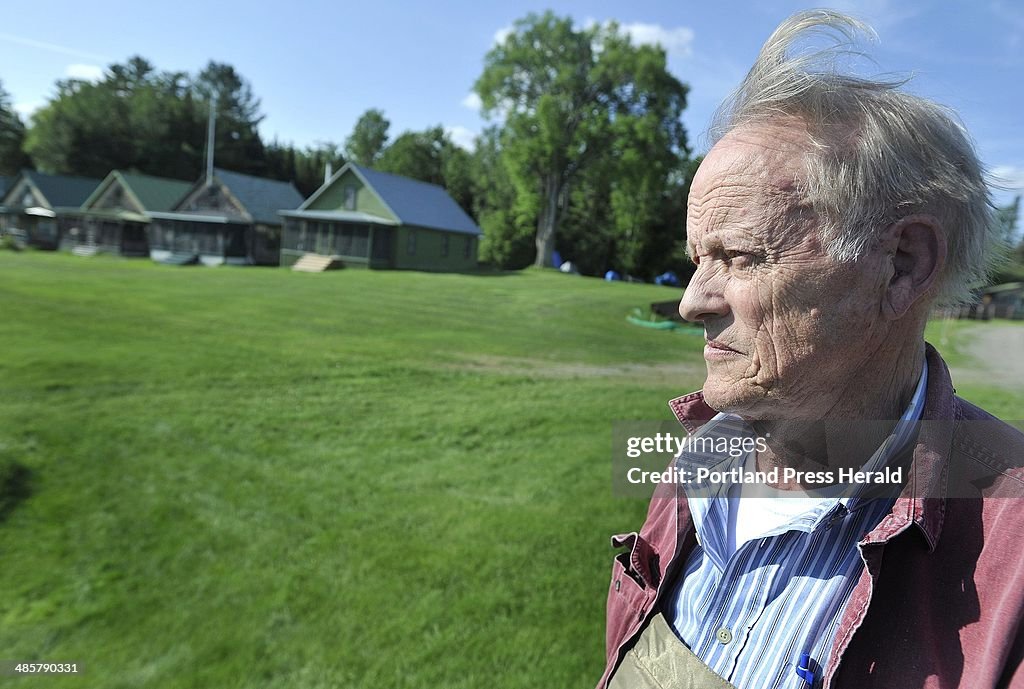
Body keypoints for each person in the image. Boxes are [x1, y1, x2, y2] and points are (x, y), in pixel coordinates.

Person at [598, 10, 1024, 689]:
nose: (692, 300)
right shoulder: (702, 453)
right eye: (697, 258)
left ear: (902, 264)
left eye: (738, 256)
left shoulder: (1013, 552)